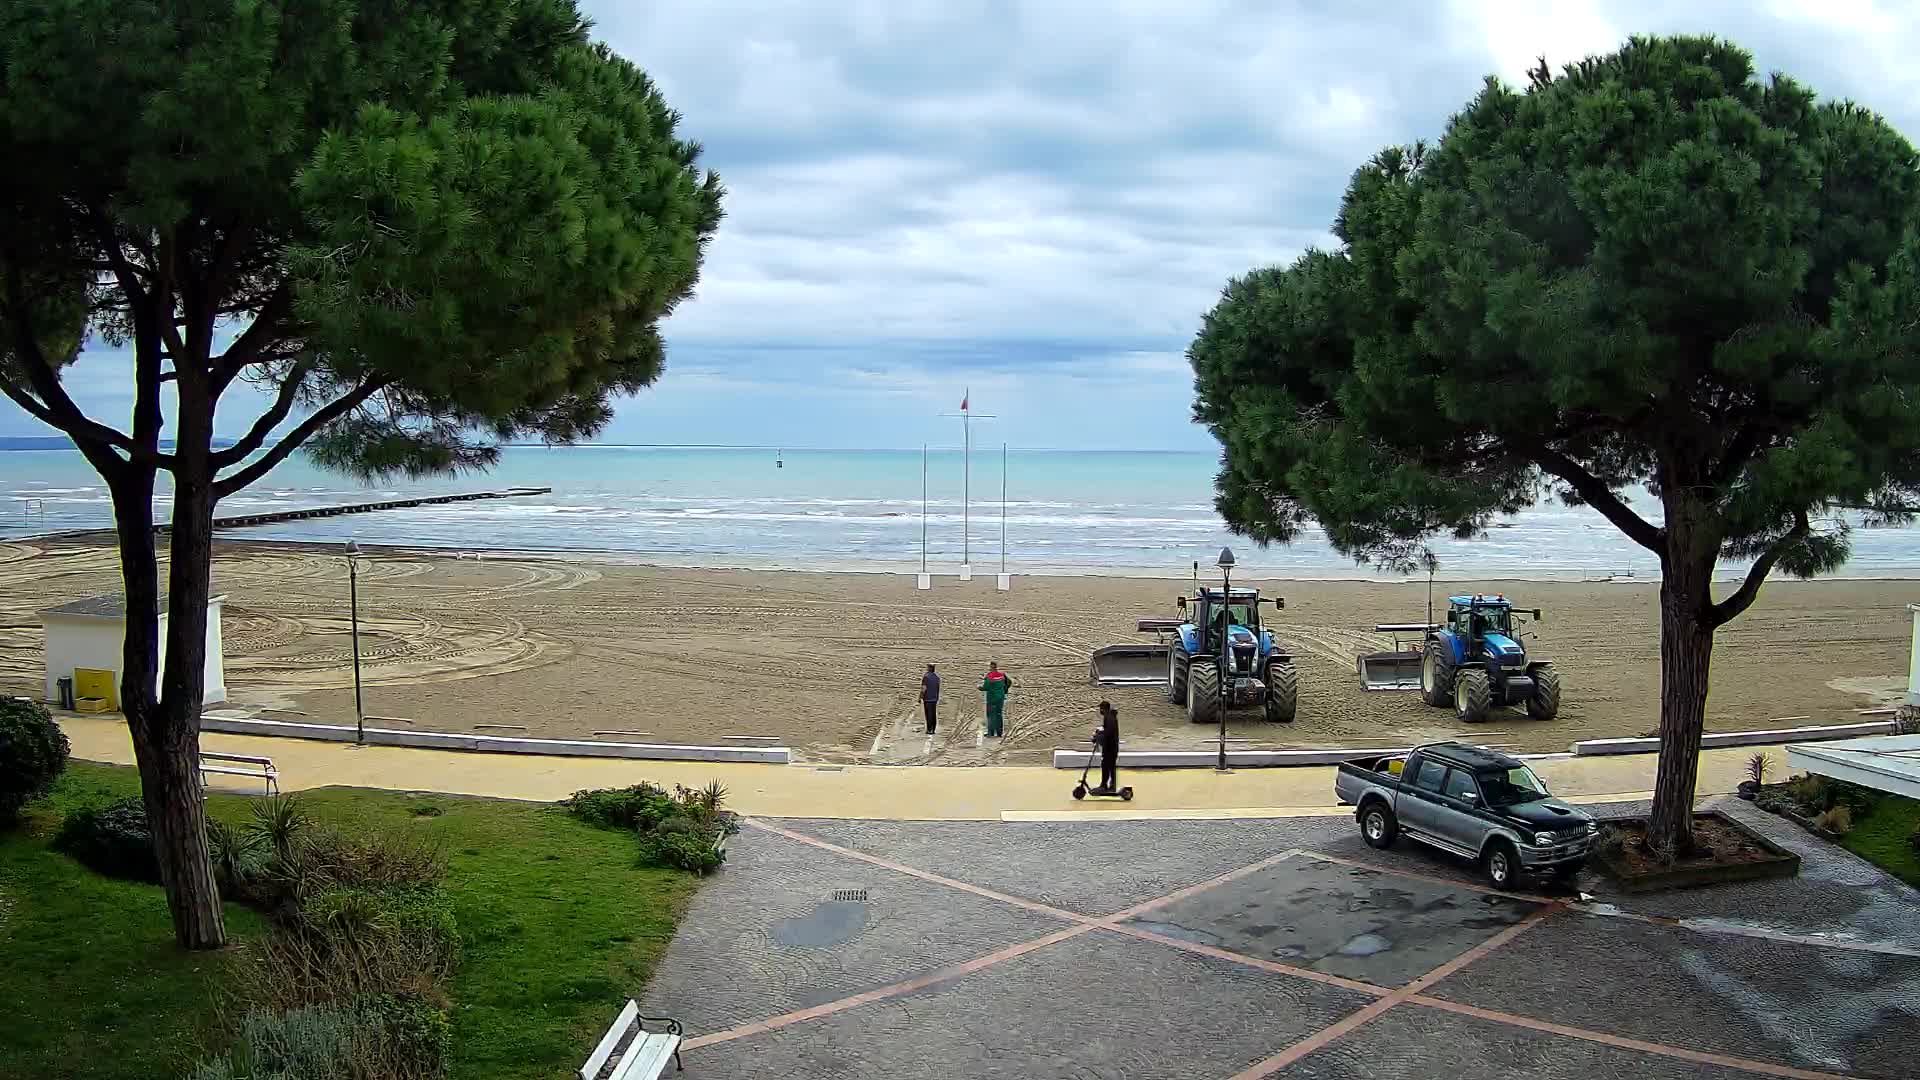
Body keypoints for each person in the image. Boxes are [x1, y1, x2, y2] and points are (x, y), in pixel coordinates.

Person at [1092, 701, 1120, 792]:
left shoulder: (1108, 717)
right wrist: (1100, 732)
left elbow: (1109, 732)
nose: (1100, 711)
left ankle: (1104, 786)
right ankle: (1111, 786)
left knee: (1106, 766)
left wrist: (1098, 735)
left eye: (1101, 709)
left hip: (1110, 748)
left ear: (1103, 709)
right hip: (1112, 747)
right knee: (1111, 766)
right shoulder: (1110, 716)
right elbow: (1108, 730)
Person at [980, 661, 1013, 738]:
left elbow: (986, 687)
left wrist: (979, 688)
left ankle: (991, 733)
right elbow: (1009, 682)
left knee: (991, 715)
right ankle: (999, 733)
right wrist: (1004, 690)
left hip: (991, 698)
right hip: (1000, 697)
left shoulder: (989, 676)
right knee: (999, 714)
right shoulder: (1002, 675)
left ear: (991, 667)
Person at [921, 663, 941, 735]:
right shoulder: (937, 677)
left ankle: (929, 729)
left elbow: (924, 688)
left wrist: (920, 697)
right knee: (933, 714)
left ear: (929, 668)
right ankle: (933, 728)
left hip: (927, 698)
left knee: (928, 714)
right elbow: (938, 688)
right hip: (934, 698)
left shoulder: (926, 677)